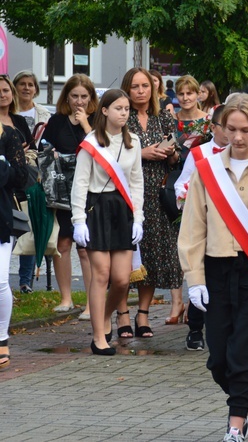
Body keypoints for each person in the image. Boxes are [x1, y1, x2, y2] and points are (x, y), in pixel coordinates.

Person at [179, 94, 248, 442]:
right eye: (232, 129)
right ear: (222, 128)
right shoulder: (206, 169)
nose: (239, 137)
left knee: (242, 352)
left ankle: (236, 422)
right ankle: (238, 403)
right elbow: (193, 227)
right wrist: (194, 279)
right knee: (218, 358)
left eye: (246, 130)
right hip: (215, 270)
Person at [70, 89, 144, 355]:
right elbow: (79, 185)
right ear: (104, 111)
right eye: (118, 108)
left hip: (123, 211)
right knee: (101, 275)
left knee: (122, 280)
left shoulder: (133, 142)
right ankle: (99, 337)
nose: (124, 113)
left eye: (126, 109)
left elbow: (136, 183)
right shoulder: (91, 142)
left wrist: (138, 218)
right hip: (97, 209)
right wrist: (79, 220)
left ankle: (103, 316)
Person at [116, 68, 180, 339]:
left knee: (152, 256)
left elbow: (176, 159)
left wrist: (170, 152)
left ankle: (143, 314)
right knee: (124, 257)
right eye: (135, 87)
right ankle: (122, 314)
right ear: (126, 90)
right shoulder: (120, 115)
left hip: (157, 193)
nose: (141, 91)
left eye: (145, 86)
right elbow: (111, 154)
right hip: (125, 193)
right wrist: (142, 153)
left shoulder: (162, 116)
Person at [40, 74, 98, 315]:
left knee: (86, 247)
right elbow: (44, 148)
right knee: (63, 242)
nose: (79, 101)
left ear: (91, 98)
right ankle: (66, 298)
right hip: (63, 190)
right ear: (67, 97)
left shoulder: (97, 119)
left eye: (84, 96)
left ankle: (90, 303)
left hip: (90, 191)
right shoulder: (57, 121)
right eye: (74, 96)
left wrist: (85, 123)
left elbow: (100, 148)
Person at [174, 105, 230, 351]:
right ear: (213, 127)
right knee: (201, 276)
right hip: (205, 226)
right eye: (226, 127)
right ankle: (196, 328)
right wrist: (190, 198)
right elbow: (181, 184)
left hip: (235, 228)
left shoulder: (247, 153)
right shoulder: (199, 154)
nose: (232, 134)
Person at [12, 70, 50, 294]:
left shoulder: (44, 114)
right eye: (22, 84)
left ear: (36, 89)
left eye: (30, 85)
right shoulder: (7, 112)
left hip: (33, 173)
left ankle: (25, 281)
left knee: (28, 223)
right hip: (10, 172)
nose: (26, 88)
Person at [0, 116, 28, 369]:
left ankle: (1, 339)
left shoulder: (8, 135)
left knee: (0, 281)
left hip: (1, 218)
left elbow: (21, 177)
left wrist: (2, 165)